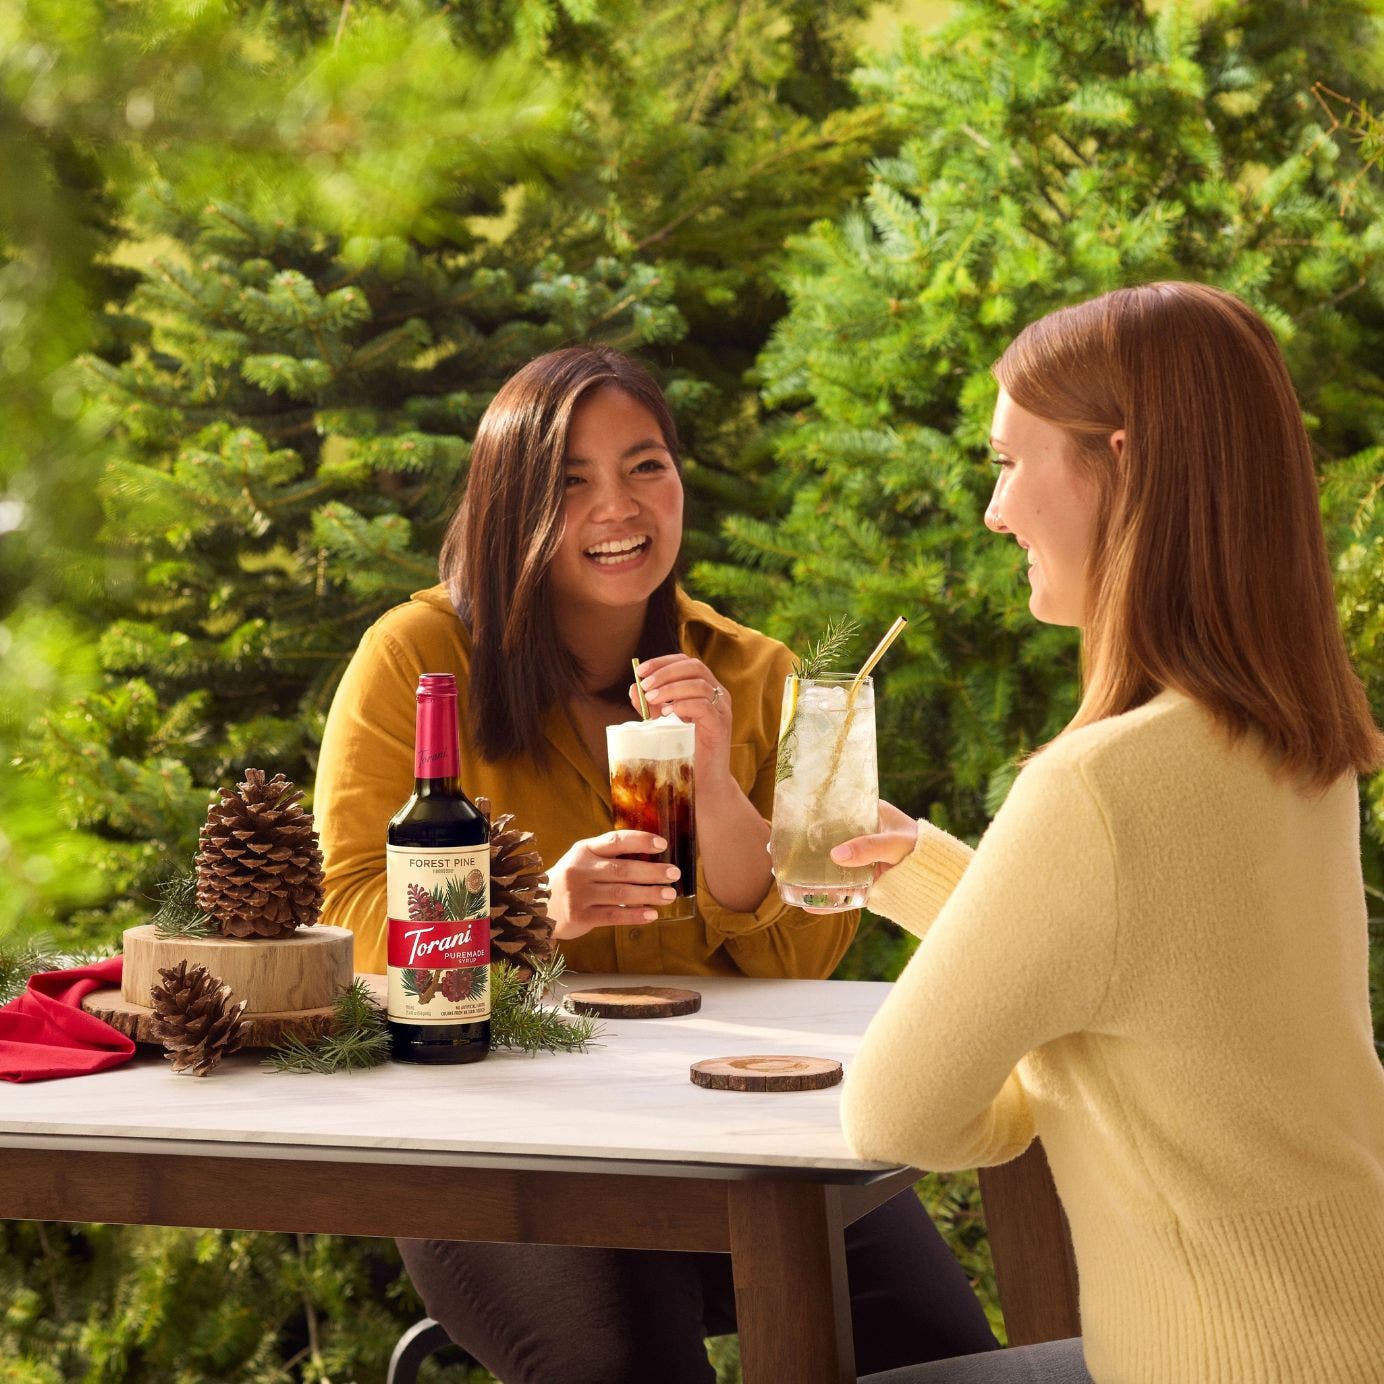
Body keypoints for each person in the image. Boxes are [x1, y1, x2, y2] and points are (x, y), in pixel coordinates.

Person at [314, 345, 998, 1384]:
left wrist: (714, 778)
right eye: (570, 480)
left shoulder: (751, 672)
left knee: (946, 1358)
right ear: (510, 503)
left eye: (646, 466)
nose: (618, 507)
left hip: (738, 1126)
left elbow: (807, 951)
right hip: (499, 1135)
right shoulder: (418, 658)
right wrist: (537, 908)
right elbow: (351, 911)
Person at [830, 282, 1384, 1383]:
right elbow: (1159, 983)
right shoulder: (1292, 740)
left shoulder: (1097, 788)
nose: (994, 512)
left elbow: (895, 1117)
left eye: (1007, 462)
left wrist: (1021, 1089)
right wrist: (936, 878)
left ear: (1120, 466)